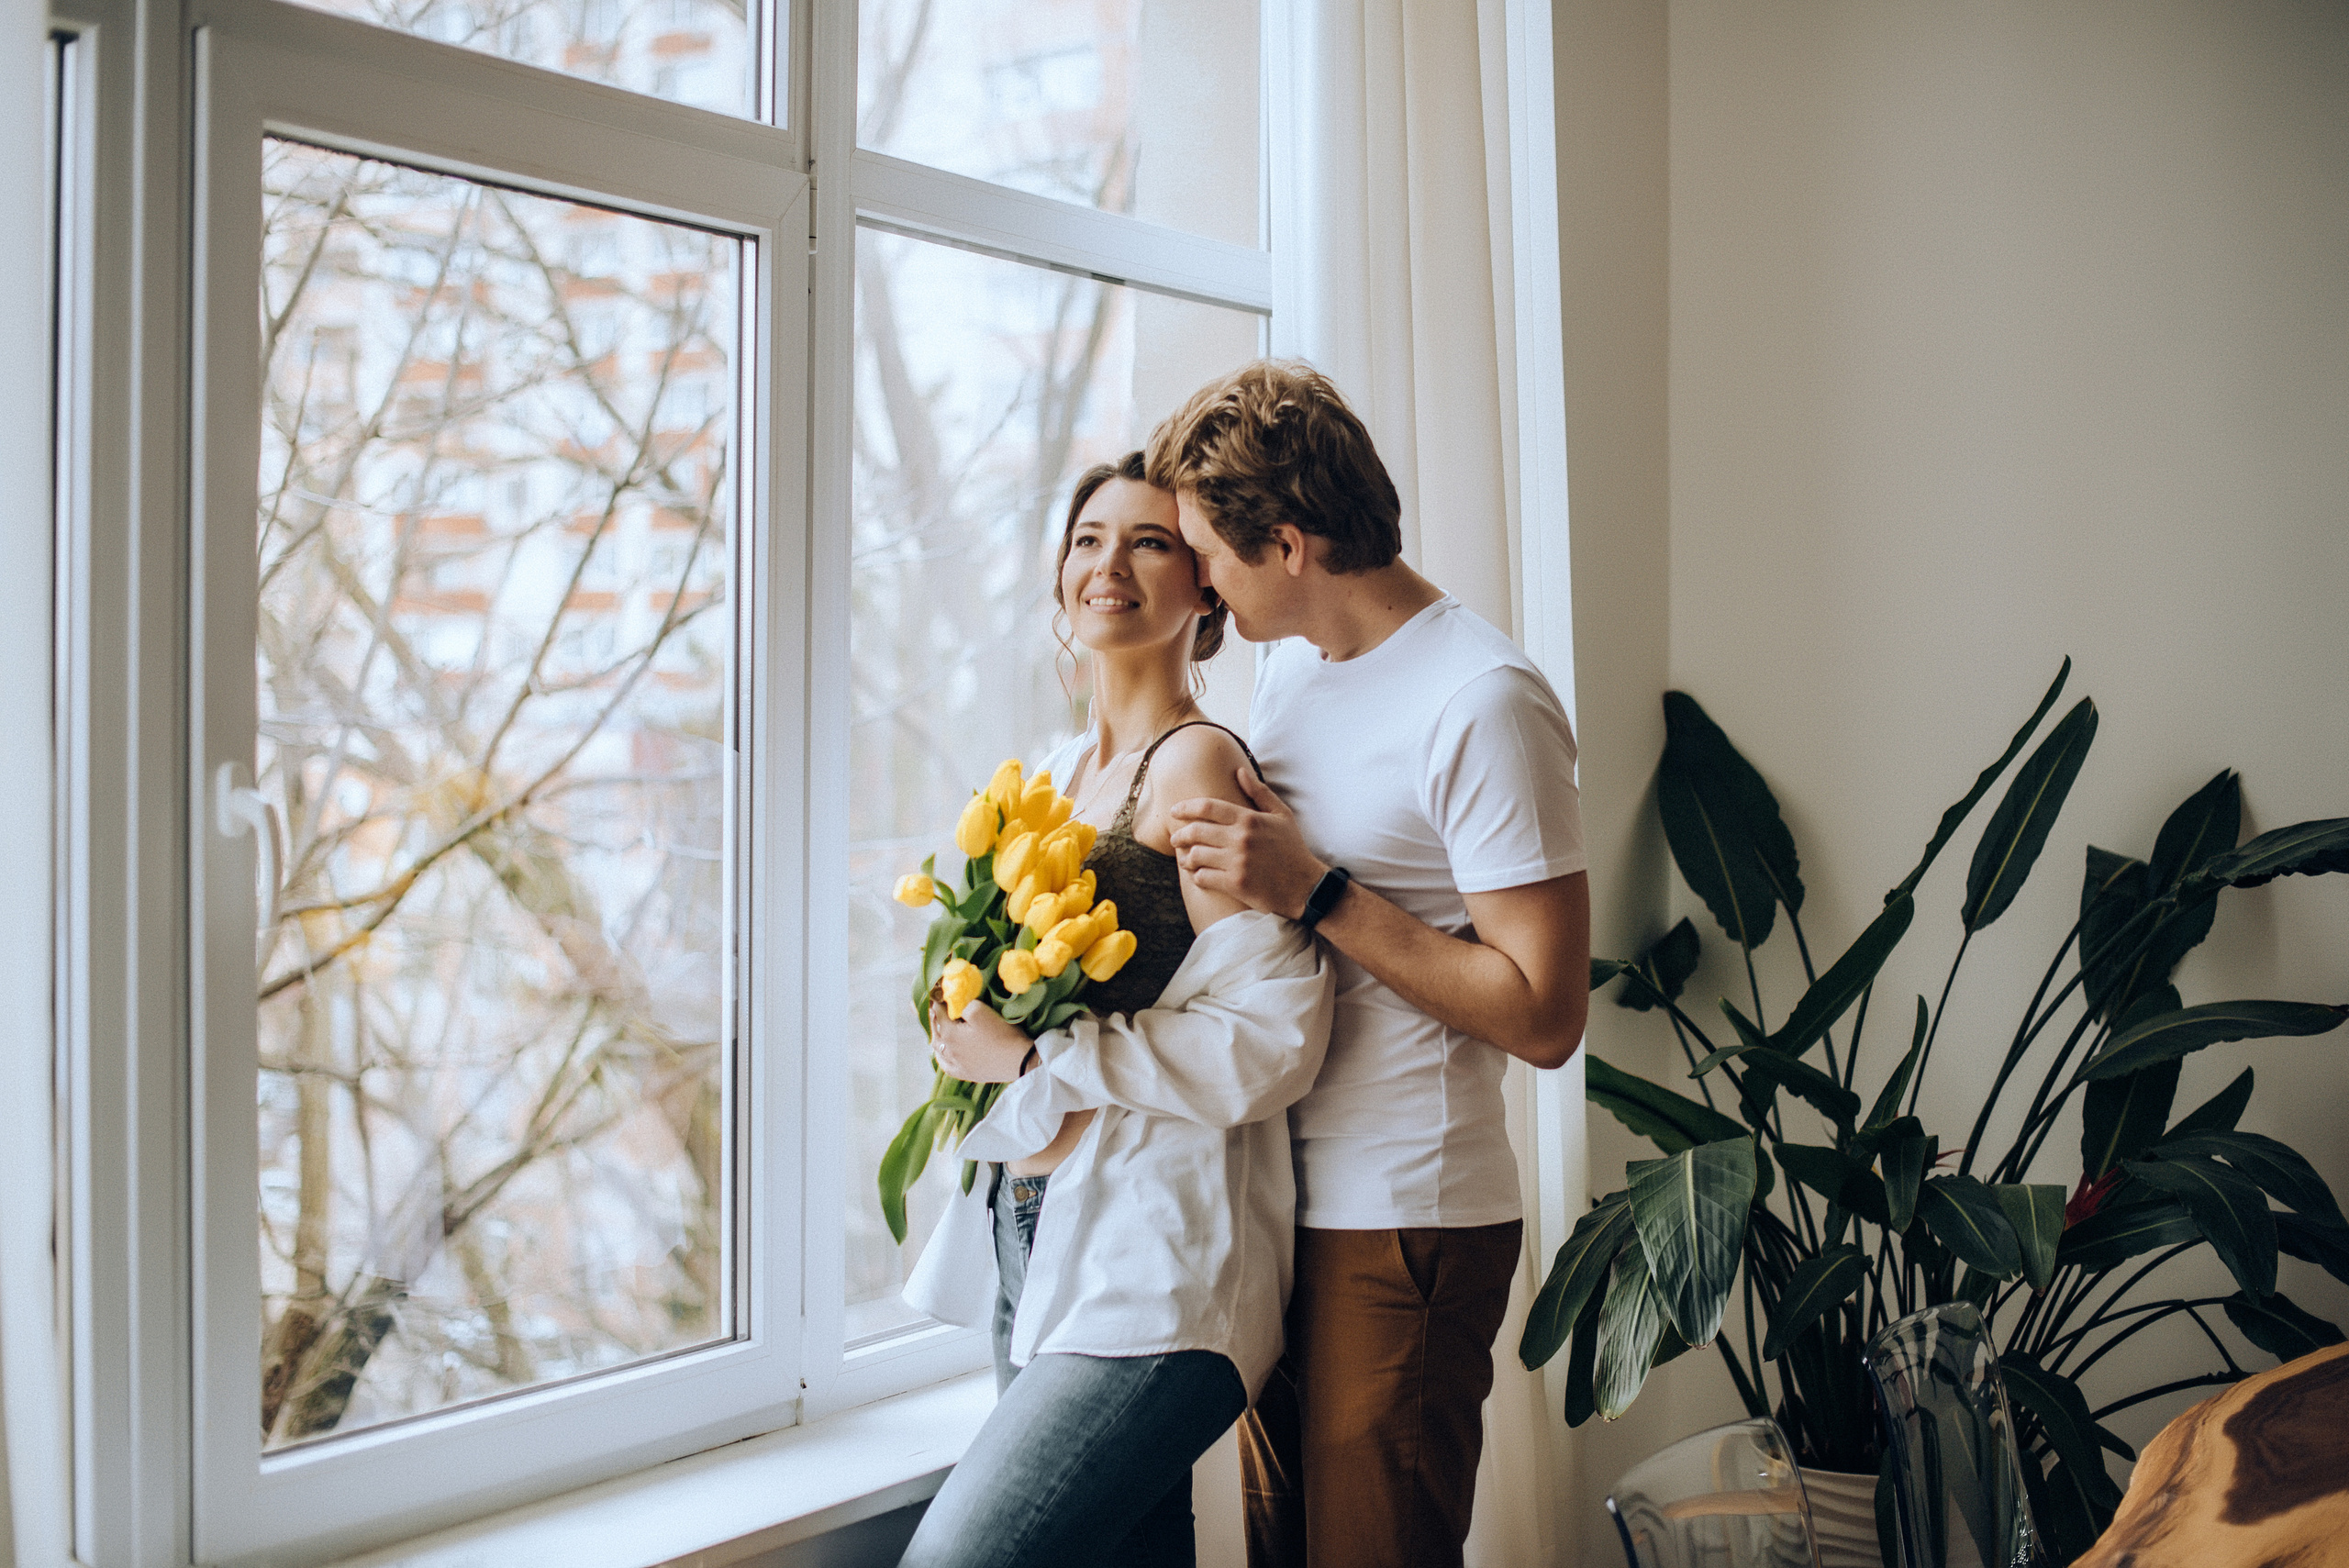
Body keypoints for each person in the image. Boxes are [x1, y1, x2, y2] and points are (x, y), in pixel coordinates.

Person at [1152, 361, 1592, 1568]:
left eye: (1210, 555)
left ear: (1288, 543)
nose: (1200, 580)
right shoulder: (1290, 664)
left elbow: (1546, 1011)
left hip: (1405, 1217)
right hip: (1282, 1203)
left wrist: (1318, 889)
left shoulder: (1482, 701)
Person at [896, 451, 1336, 1568]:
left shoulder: (1193, 767)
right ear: (1059, 581)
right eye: (1089, 538)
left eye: (1150, 541)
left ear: (1204, 592)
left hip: (1156, 1263)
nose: (1111, 563)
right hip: (1030, 1233)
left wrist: (1043, 1056)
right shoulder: (1054, 771)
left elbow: (1270, 1035)